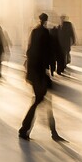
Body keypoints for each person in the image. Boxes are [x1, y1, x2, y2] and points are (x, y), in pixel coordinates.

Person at [19, 13, 66, 142]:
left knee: (44, 101)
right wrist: (53, 68)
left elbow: (30, 51)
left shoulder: (34, 32)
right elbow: (50, 53)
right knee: (40, 100)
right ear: (46, 21)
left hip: (34, 73)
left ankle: (52, 131)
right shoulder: (46, 34)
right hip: (40, 74)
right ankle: (24, 129)